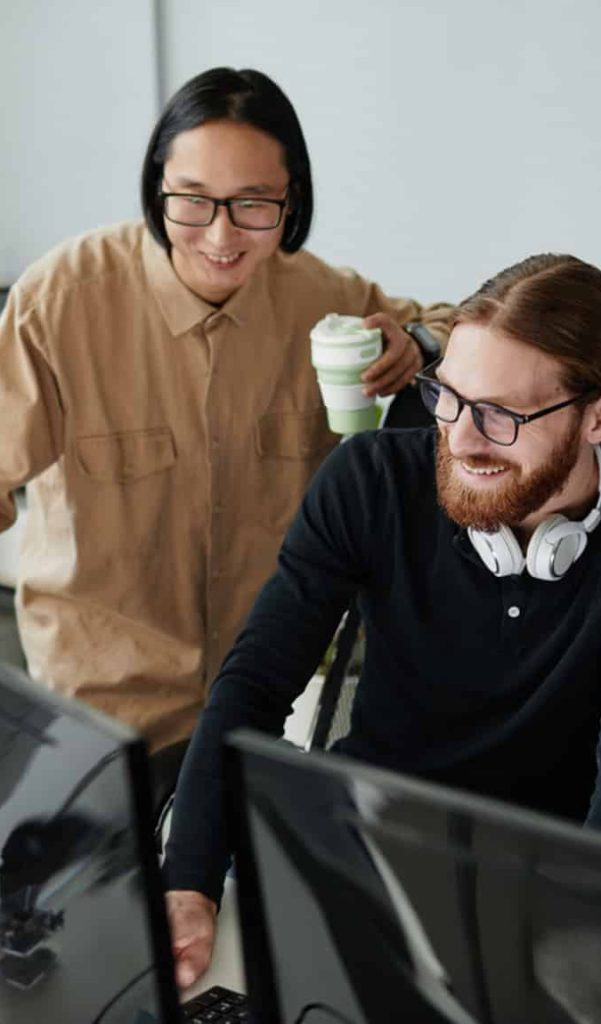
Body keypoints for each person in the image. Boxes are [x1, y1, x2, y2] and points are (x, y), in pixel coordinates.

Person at [162, 252, 601, 988]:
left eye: (500, 414)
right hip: (362, 859)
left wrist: (574, 960)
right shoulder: (369, 481)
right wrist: (190, 884)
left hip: (541, 899)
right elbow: (253, 687)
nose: (459, 440)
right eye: (448, 397)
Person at [0, 67, 450, 754]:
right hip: (99, 718)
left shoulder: (324, 298)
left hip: (264, 705)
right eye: (194, 201)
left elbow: (465, 324)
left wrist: (417, 342)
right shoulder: (60, 300)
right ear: (158, 187)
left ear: (290, 199)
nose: (220, 235)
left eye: (253, 204)